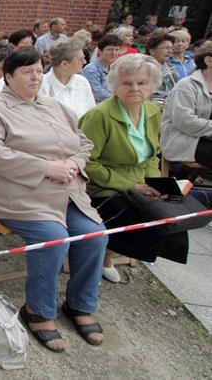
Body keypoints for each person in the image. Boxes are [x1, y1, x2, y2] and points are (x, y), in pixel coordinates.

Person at [0, 50, 107, 353]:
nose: (36, 77)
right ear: (7, 77)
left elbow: (84, 142)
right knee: (54, 239)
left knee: (96, 235)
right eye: (27, 72)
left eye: (38, 71)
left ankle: (79, 305)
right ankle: (37, 311)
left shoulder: (54, 106)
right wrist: (47, 168)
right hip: (16, 194)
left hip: (64, 191)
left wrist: (73, 163)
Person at [79, 55, 190, 284]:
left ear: (152, 86)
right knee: (140, 221)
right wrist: (132, 186)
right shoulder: (100, 116)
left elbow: (152, 155)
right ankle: (101, 256)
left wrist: (153, 183)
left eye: (142, 83)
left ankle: (107, 253)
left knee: (172, 220)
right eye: (127, 83)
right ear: (115, 85)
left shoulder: (151, 112)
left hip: (140, 186)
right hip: (100, 187)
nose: (135, 88)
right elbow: (86, 163)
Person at [161, 43, 212, 171]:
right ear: (209, 60)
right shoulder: (186, 86)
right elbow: (185, 122)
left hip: (206, 137)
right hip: (185, 141)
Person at [39, 38, 96, 118]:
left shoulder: (82, 82)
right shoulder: (40, 86)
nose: (84, 62)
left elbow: (91, 115)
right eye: (80, 59)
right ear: (65, 64)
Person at [82, 34, 121, 103]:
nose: (114, 53)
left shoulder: (115, 67)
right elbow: (97, 93)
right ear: (100, 51)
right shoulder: (91, 70)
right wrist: (119, 97)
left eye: (117, 49)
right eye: (110, 49)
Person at [144, 33, 178, 107]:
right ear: (152, 51)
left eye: (171, 48)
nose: (170, 51)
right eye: (166, 48)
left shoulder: (171, 68)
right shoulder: (142, 67)